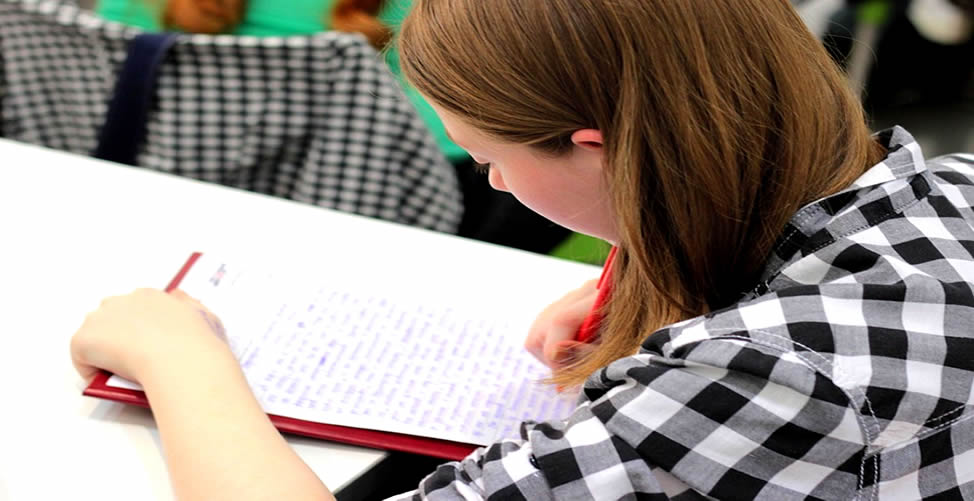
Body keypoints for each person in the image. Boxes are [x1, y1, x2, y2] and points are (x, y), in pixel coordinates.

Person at [71, 0, 974, 499]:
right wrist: (677, 280)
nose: (494, 186)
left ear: (596, 145)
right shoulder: (954, 188)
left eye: (494, 161)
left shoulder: (756, 378)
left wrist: (182, 356)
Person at [96, 0, 573, 253]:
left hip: (172, 174)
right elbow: (456, 126)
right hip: (379, 200)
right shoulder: (440, 16)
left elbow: (116, 63)